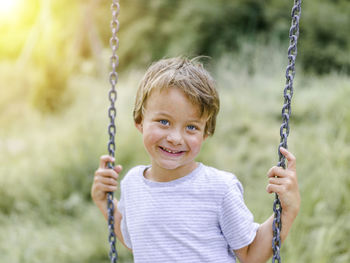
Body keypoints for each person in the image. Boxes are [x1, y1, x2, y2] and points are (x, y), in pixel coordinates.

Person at [91, 57, 300, 263]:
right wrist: (105, 202)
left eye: (191, 127)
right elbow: (135, 240)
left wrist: (288, 210)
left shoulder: (219, 188)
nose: (175, 138)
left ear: (205, 133)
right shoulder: (132, 183)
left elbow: (251, 254)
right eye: (163, 122)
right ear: (139, 121)